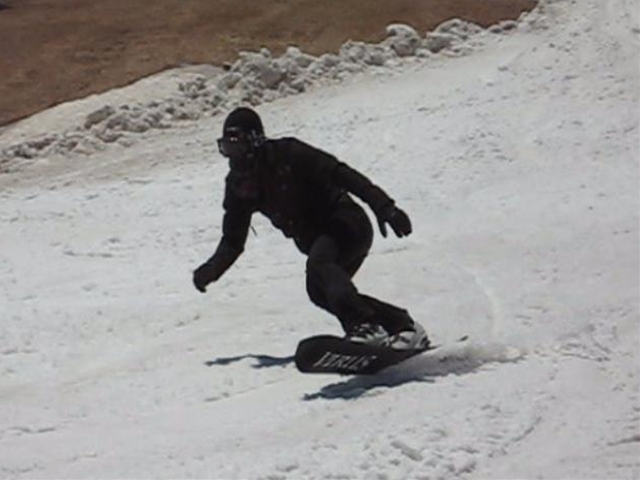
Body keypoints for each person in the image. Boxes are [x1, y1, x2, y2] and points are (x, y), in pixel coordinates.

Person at [193, 107, 429, 350]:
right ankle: (402, 326)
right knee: (319, 291)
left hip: (347, 224)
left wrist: (385, 207)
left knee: (320, 264)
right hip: (318, 240)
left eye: (238, 147)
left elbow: (340, 173)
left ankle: (365, 325)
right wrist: (211, 270)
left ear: (255, 142)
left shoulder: (288, 154)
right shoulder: (239, 186)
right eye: (227, 148)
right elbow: (233, 241)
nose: (234, 157)